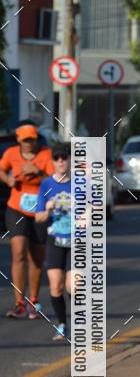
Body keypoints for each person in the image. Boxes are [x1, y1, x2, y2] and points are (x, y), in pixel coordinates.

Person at [0, 123, 53, 318]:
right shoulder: (11, 153)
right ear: (18, 140)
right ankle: (19, 302)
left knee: (36, 258)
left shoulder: (47, 154)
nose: (30, 143)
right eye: (26, 140)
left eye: (32, 139)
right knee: (19, 251)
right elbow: (1, 170)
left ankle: (34, 300)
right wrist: (8, 180)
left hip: (40, 210)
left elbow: (55, 180)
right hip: (17, 207)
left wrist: (38, 173)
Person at [35, 143, 72, 341]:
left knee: (72, 286)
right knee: (56, 286)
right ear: (52, 161)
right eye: (56, 158)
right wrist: (48, 209)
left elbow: (97, 209)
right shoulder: (47, 185)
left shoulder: (81, 183)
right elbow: (38, 218)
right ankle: (63, 325)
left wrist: (87, 212)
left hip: (77, 241)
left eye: (64, 157)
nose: (60, 161)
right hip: (55, 239)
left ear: (70, 160)